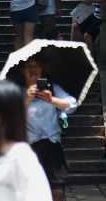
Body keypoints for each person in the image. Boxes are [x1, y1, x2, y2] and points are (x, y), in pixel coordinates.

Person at [22, 55, 77, 200]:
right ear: (23, 71)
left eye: (36, 66)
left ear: (42, 69)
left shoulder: (52, 88)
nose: (33, 70)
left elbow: (72, 105)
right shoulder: (17, 91)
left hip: (53, 145)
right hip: (30, 148)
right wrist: (26, 100)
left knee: (57, 188)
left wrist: (51, 99)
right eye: (29, 66)